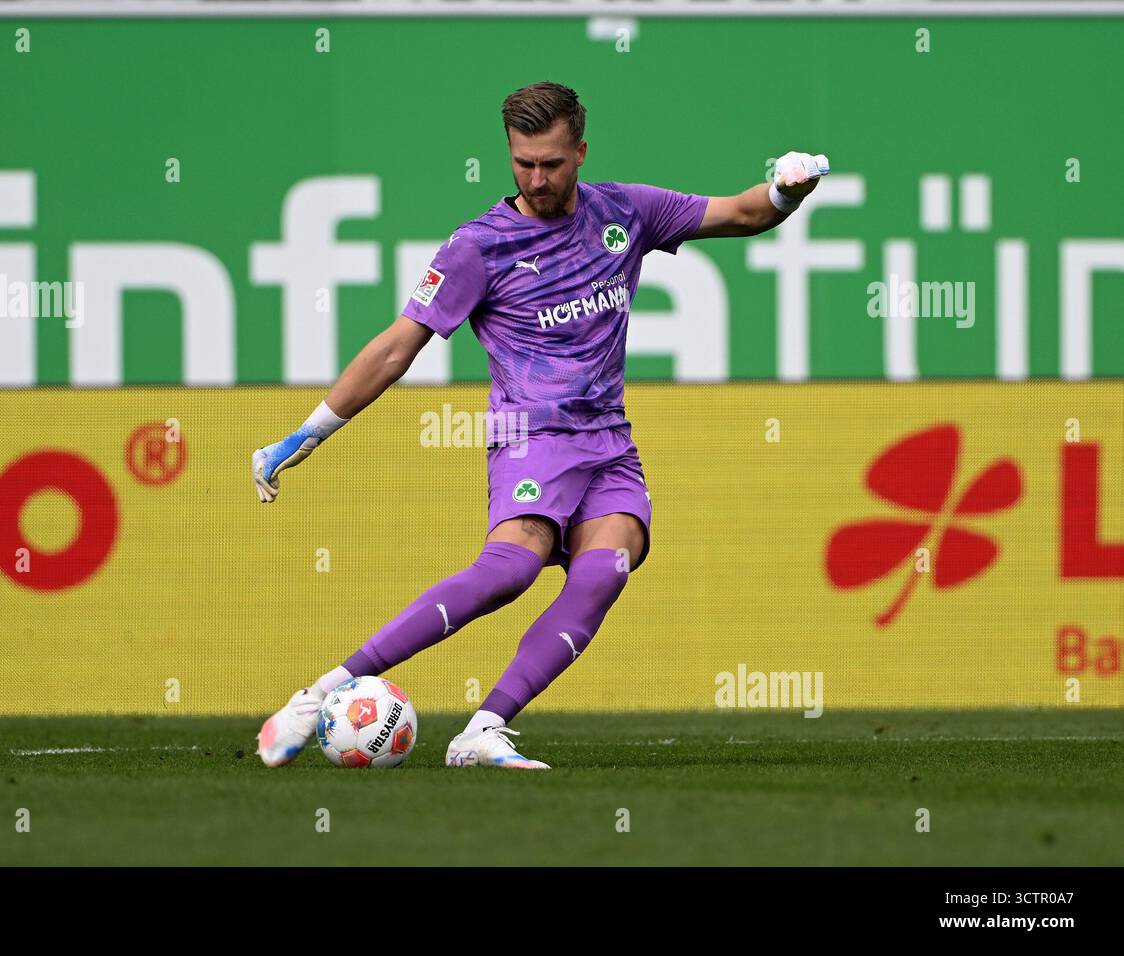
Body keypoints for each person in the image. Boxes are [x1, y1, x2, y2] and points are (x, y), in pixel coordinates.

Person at [253, 81, 826, 769]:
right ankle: (320, 694)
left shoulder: (627, 211)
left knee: (607, 569)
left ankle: (484, 729)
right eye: (523, 162)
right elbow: (394, 347)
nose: (537, 178)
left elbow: (739, 214)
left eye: (551, 162)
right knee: (510, 572)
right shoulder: (478, 247)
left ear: (580, 151)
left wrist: (787, 191)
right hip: (532, 438)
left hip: (609, 443)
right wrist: (306, 433)